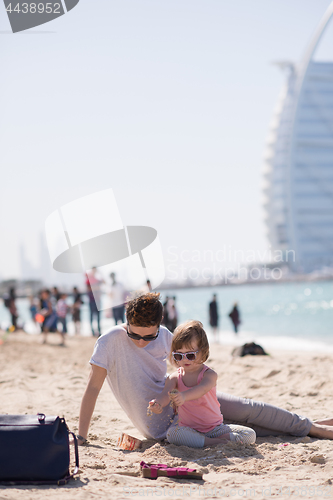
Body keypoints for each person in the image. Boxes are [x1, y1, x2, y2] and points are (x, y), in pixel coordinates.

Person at [77, 292, 333, 446]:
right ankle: (309, 425)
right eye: (135, 336)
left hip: (189, 400)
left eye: (149, 337)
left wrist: (192, 390)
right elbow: (92, 389)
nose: (142, 342)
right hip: (166, 427)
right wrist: (82, 436)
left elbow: (187, 366)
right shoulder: (109, 341)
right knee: (253, 431)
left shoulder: (166, 336)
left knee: (248, 409)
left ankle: (314, 427)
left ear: (160, 324)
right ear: (126, 322)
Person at [148, 321, 256, 448]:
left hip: (215, 429)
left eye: (190, 355)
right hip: (189, 429)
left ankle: (208, 440)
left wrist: (184, 396)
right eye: (178, 355)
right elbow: (165, 394)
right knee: (172, 434)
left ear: (203, 352)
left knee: (249, 434)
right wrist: (158, 403)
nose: (184, 360)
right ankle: (210, 443)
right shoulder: (175, 377)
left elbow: (202, 389)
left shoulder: (209, 375)